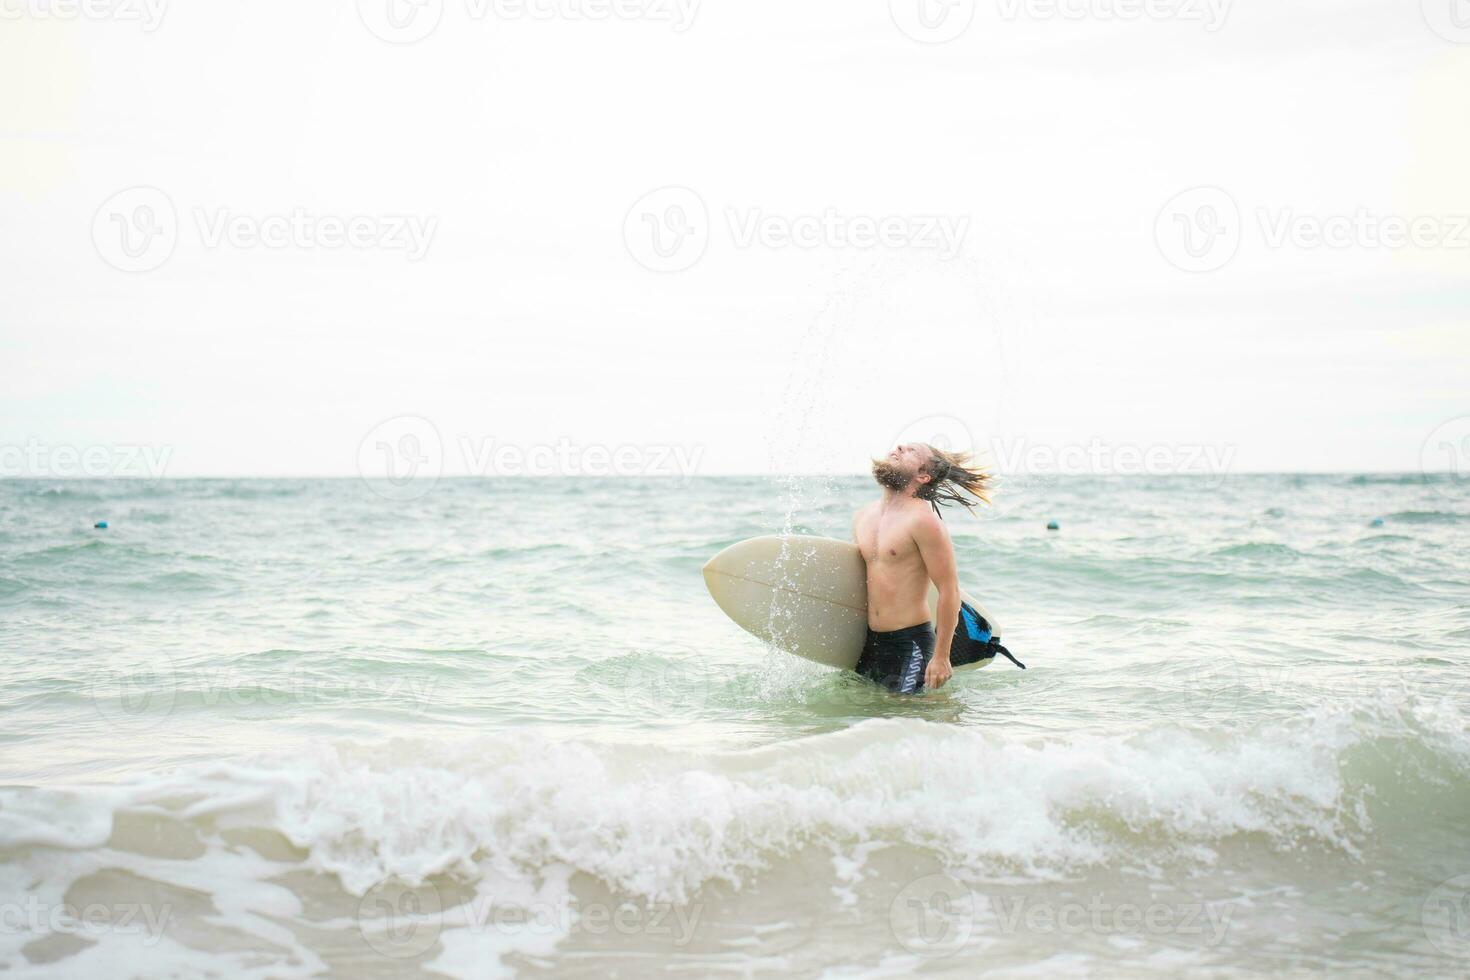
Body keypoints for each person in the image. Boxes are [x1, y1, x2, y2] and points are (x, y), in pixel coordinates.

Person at [850, 442, 992, 693]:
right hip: (868, 640)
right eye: (902, 446)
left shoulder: (924, 521)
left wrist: (941, 657)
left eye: (912, 451)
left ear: (923, 475)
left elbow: (949, 590)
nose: (900, 446)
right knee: (864, 716)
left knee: (907, 716)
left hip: (909, 643)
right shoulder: (862, 516)